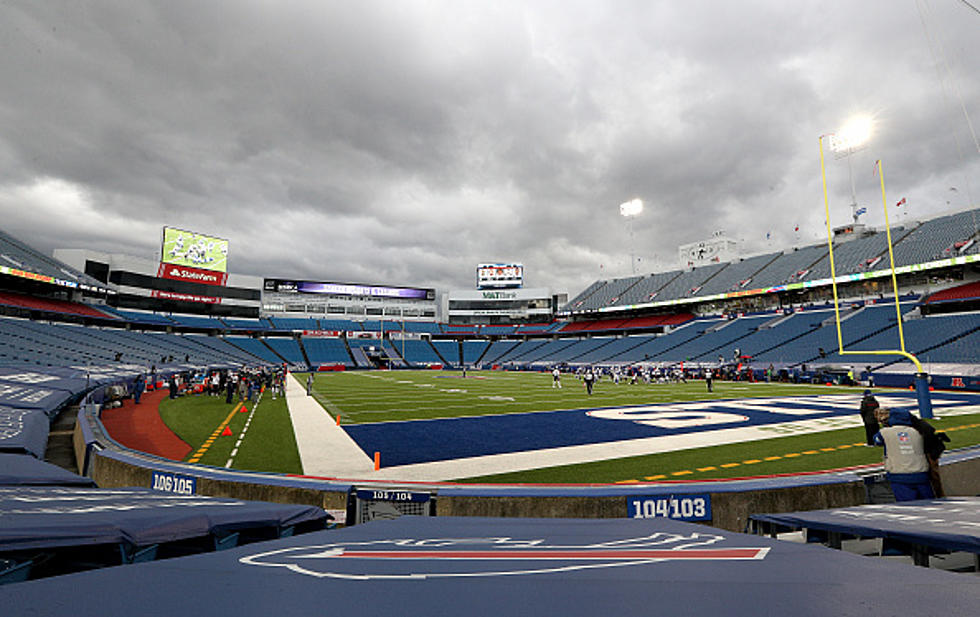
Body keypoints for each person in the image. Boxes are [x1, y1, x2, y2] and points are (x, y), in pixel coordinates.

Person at [873, 407, 934, 502]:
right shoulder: (919, 431)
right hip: (921, 474)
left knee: (908, 508)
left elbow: (877, 441)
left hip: (899, 476)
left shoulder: (885, 432)